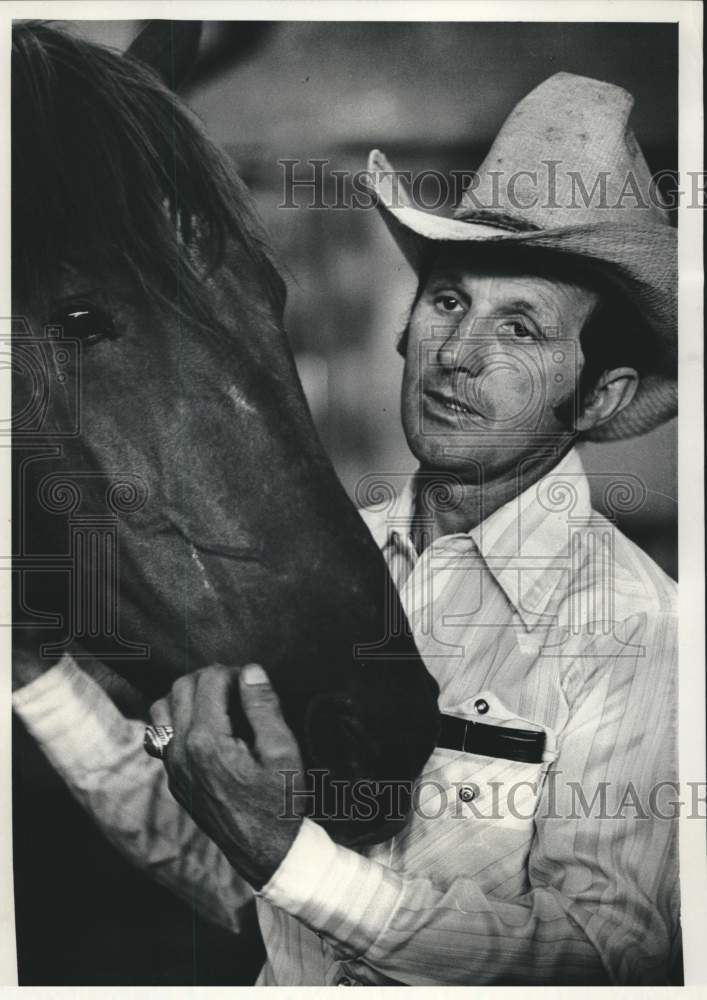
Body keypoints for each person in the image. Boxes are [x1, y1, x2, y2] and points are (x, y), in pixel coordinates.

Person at [13, 72, 679, 985]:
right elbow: (239, 869)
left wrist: (296, 862)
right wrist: (39, 675)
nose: (458, 352)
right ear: (405, 331)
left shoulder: (638, 632)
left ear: (596, 397)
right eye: (447, 302)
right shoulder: (332, 566)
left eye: (519, 328)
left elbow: (613, 958)